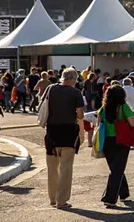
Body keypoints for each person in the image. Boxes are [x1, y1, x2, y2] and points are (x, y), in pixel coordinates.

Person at [44, 68, 84, 208]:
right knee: (66, 168)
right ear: (74, 79)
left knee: (52, 168)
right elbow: (80, 115)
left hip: (52, 132)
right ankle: (61, 200)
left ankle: (53, 198)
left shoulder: (51, 89)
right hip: (68, 133)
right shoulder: (76, 92)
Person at [96, 84, 134, 207]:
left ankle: (124, 193)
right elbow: (132, 123)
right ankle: (109, 198)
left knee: (115, 168)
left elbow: (99, 124)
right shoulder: (123, 107)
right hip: (121, 140)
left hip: (107, 140)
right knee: (117, 169)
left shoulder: (103, 108)